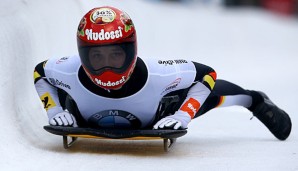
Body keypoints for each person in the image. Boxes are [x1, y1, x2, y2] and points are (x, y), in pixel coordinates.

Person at [34, 6, 291, 140]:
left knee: (213, 96)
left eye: (116, 55)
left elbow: (207, 75)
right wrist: (55, 109)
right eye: (97, 57)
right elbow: (40, 74)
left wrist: (183, 113)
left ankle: (254, 100)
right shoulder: (64, 68)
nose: (108, 66)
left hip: (160, 112)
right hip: (88, 111)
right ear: (83, 54)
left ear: (131, 51)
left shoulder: (160, 73)